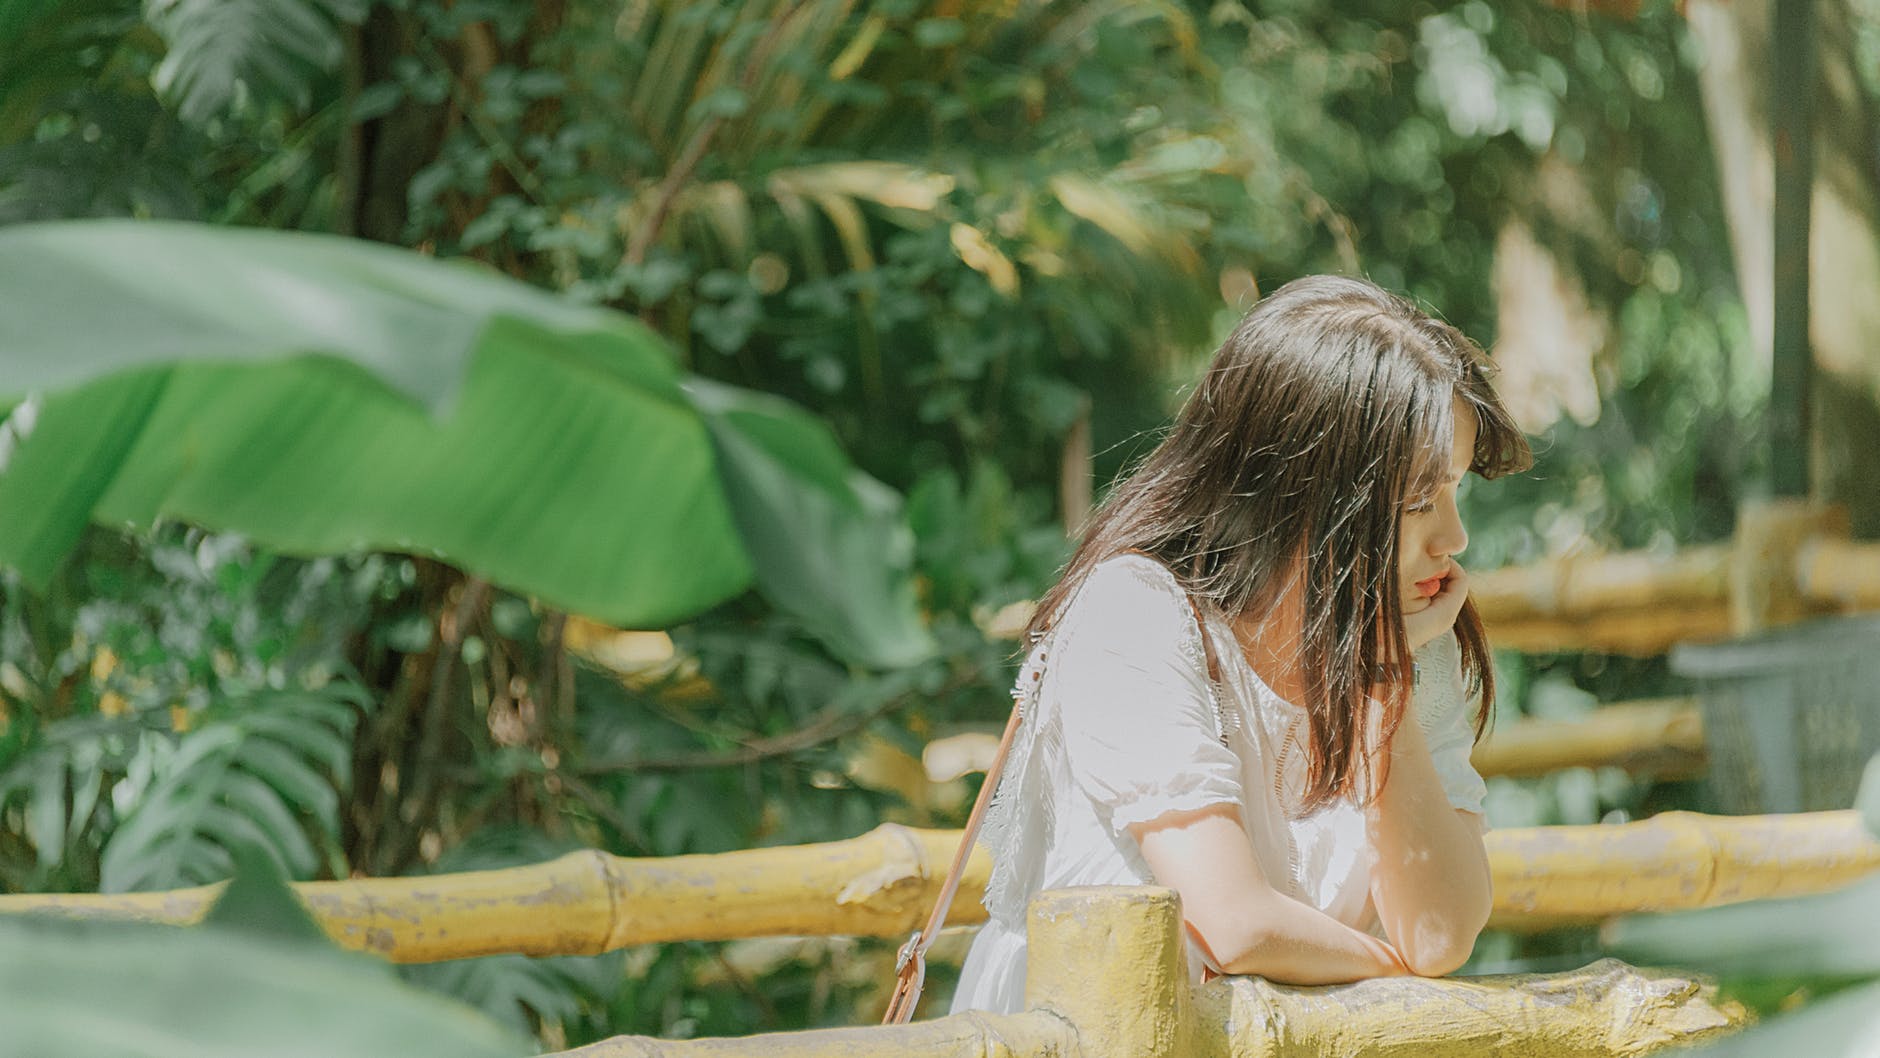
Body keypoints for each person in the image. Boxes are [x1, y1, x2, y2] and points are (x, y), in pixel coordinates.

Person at [949, 274, 1533, 1016]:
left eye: (1454, 490)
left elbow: (1441, 932)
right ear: (1307, 492)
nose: (1455, 537)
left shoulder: (1401, 642)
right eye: (1419, 498)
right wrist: (1400, 984)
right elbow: (1236, 924)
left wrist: (1383, 683)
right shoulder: (1135, 617)